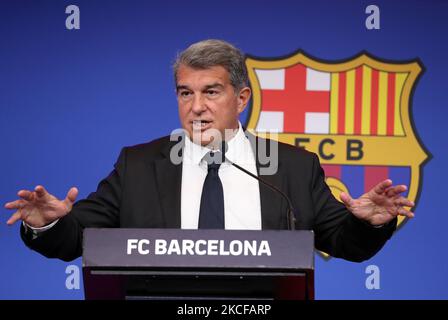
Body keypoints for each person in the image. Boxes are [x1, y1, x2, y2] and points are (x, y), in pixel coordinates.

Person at [4, 39, 414, 262]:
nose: (196, 106)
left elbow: (343, 242)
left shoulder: (293, 167)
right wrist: (48, 224)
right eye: (186, 93)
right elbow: (78, 238)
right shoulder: (139, 165)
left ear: (241, 99)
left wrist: (370, 224)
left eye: (211, 92)